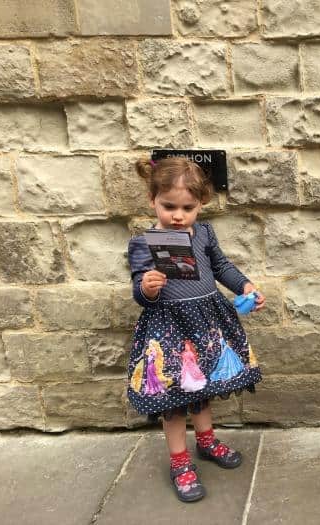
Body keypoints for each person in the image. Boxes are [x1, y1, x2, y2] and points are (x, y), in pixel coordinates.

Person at [127, 157, 265, 502]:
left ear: (201, 203)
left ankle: (206, 441)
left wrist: (244, 285)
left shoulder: (202, 232)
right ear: (152, 200)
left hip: (207, 324)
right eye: (168, 206)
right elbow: (138, 293)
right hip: (169, 329)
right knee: (174, 400)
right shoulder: (145, 243)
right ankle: (179, 461)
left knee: (201, 389)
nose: (178, 215)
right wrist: (148, 287)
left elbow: (219, 265)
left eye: (188, 207)